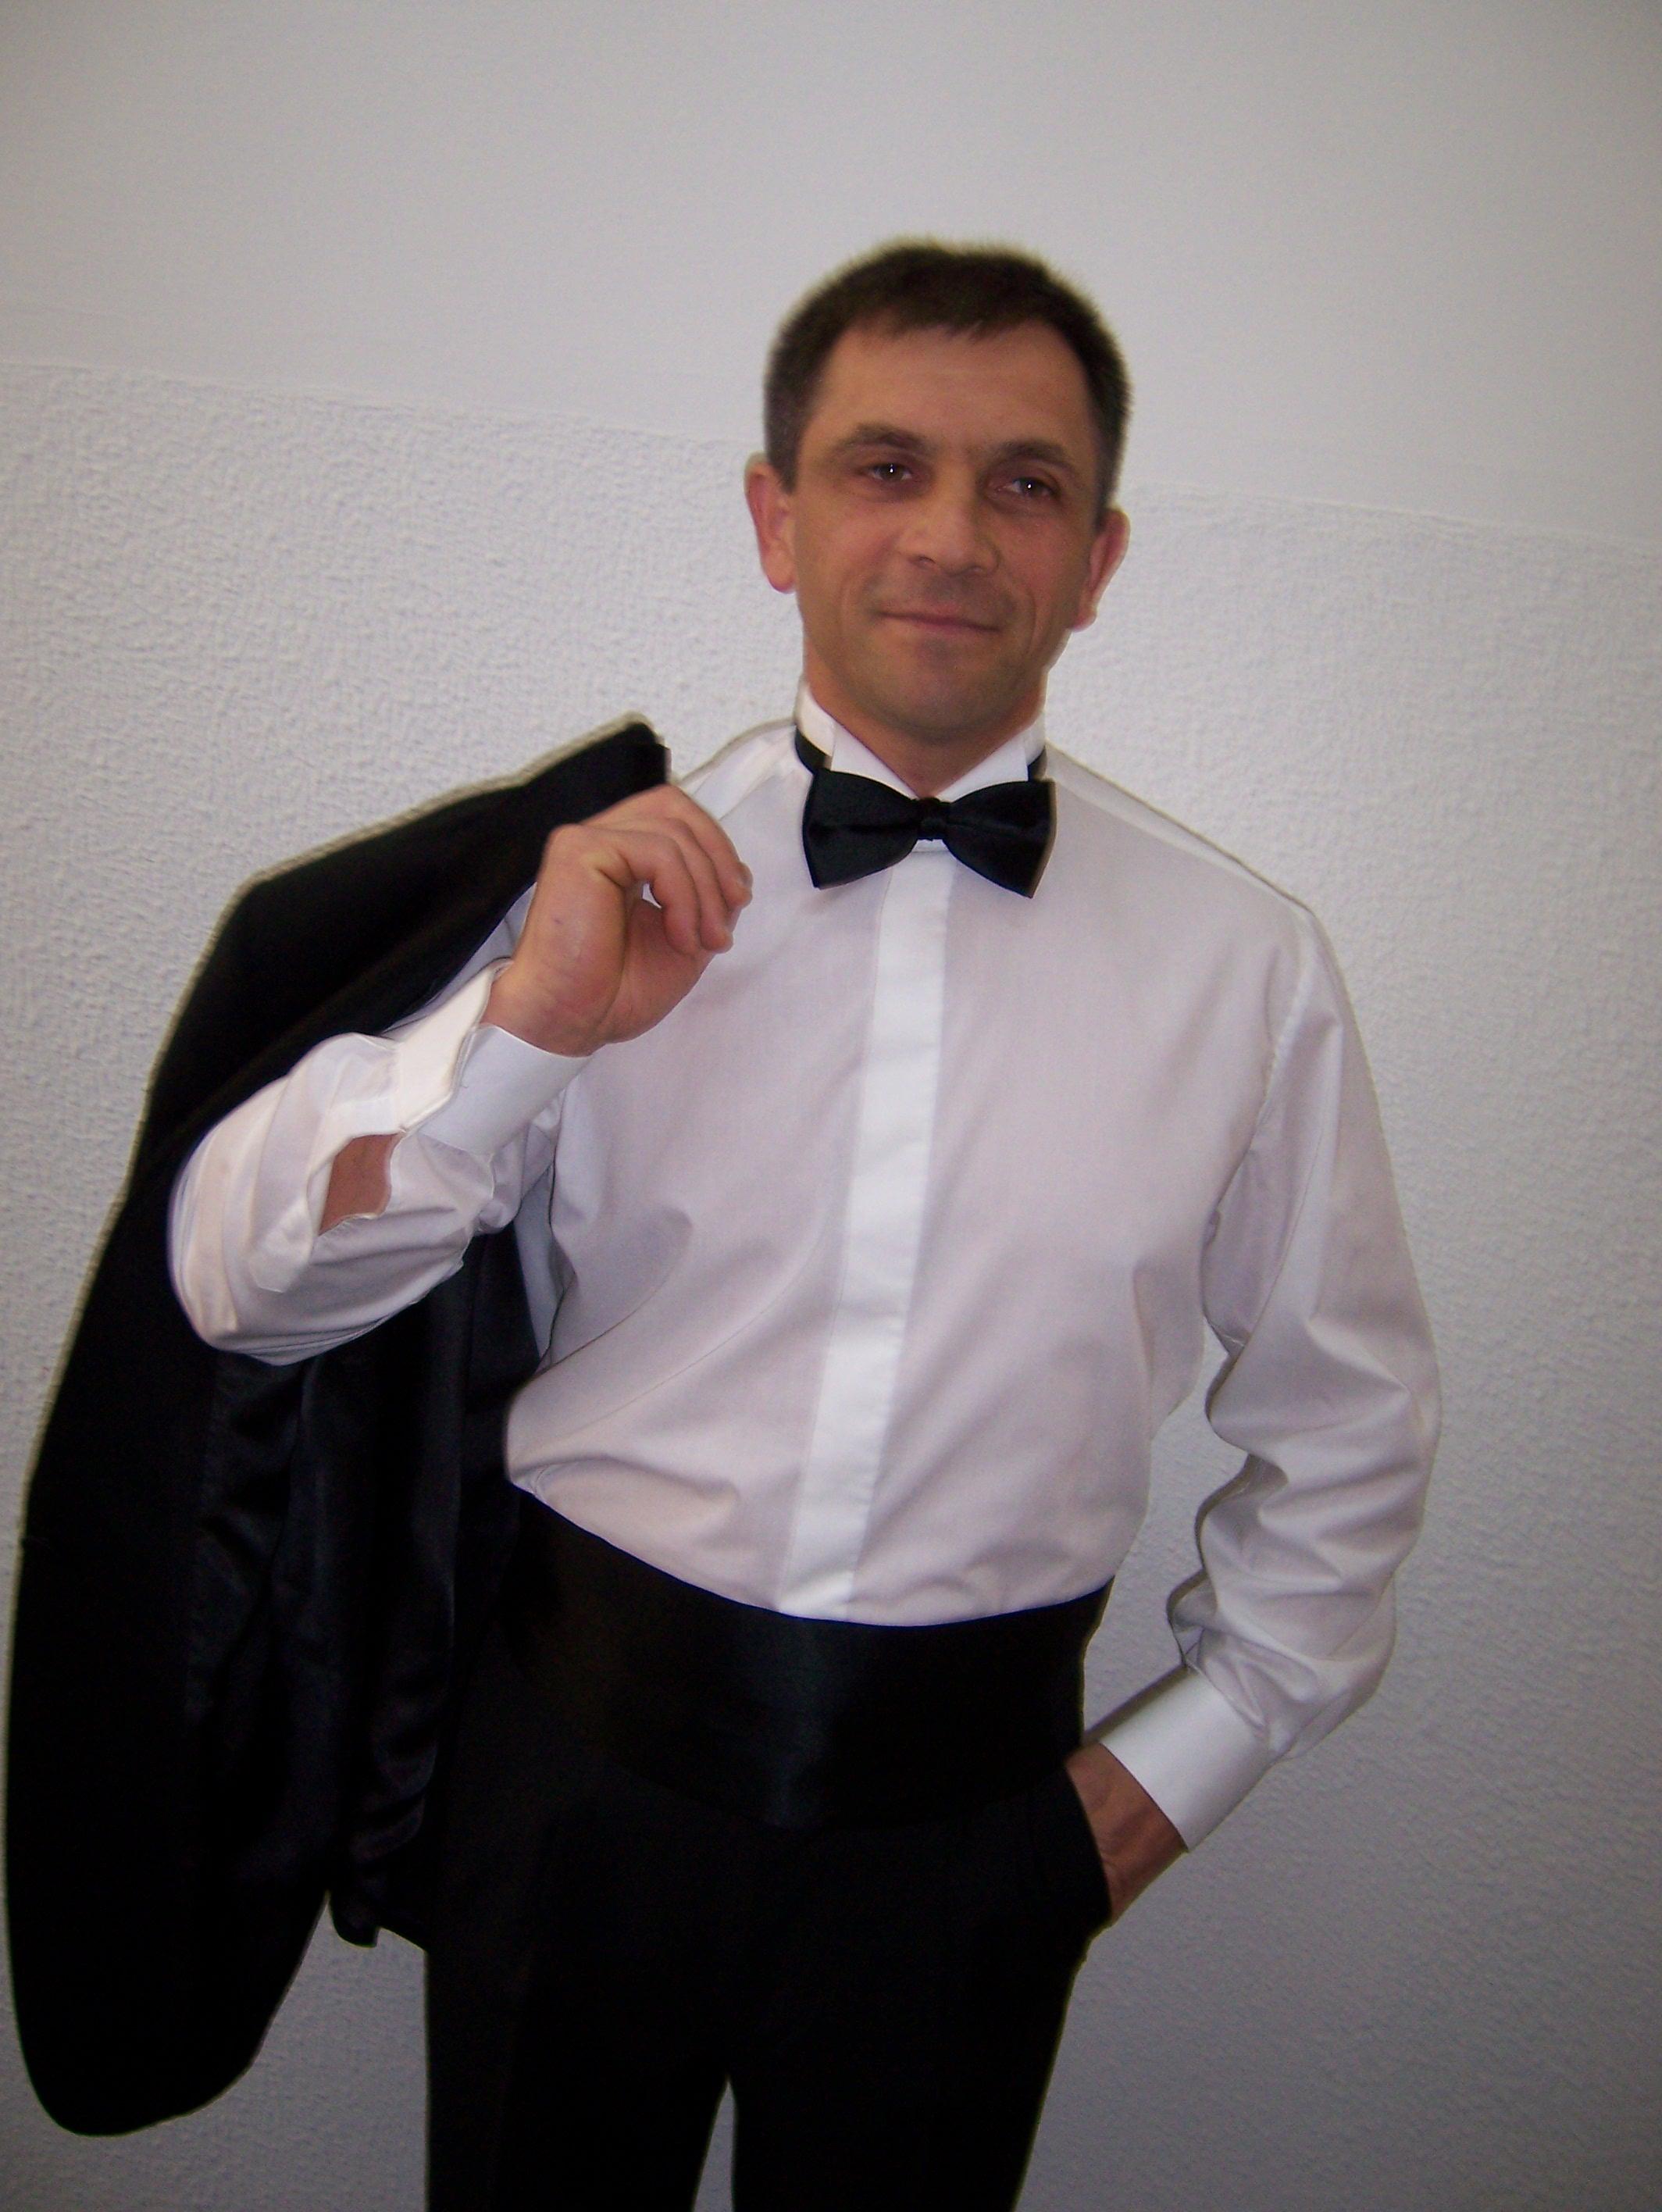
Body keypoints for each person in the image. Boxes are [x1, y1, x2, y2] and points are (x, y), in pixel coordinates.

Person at [164, 242, 1439, 2209]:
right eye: (881, 467)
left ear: (1095, 559)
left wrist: (1154, 1787)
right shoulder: (589, 897)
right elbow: (237, 1286)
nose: (949, 536)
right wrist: (525, 1039)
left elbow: (1351, 1427)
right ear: (776, 519)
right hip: (569, 1788)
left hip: (974, 1840)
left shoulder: (1244, 968)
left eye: (1023, 483)